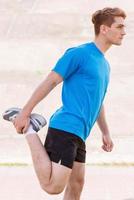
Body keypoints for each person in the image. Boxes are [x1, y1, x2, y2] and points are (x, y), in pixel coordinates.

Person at [3, 7, 126, 200]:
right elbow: (51, 80)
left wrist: (105, 132)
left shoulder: (105, 65)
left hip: (80, 133)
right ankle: (31, 130)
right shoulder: (79, 54)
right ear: (104, 29)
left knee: (76, 186)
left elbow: (98, 101)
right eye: (119, 27)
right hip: (66, 126)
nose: (123, 32)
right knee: (53, 187)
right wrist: (26, 112)